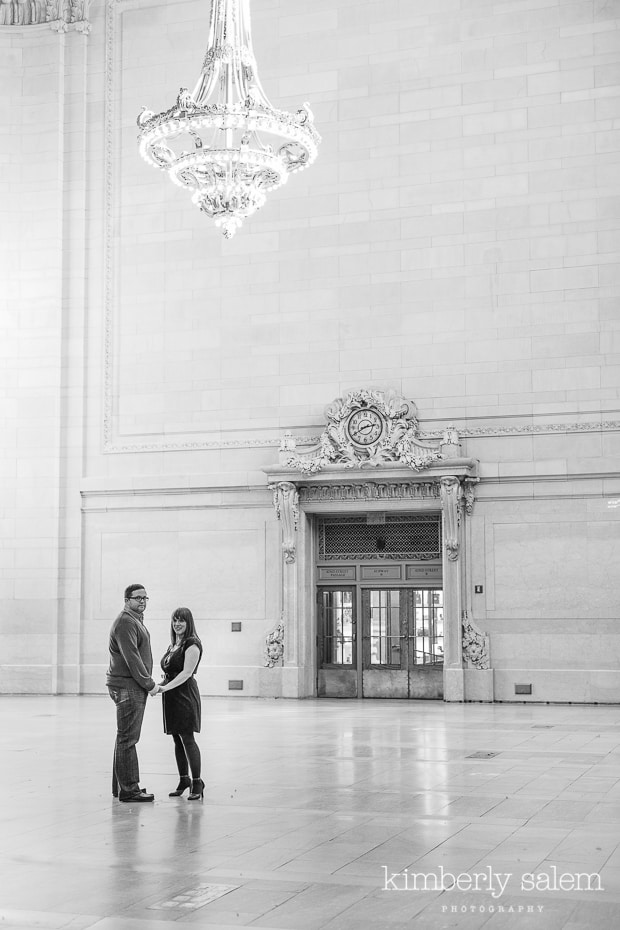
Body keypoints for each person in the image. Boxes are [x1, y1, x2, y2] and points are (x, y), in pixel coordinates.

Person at [107, 584, 160, 802]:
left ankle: (121, 787)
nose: (142, 601)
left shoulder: (134, 620)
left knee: (124, 738)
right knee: (128, 739)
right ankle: (129, 790)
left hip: (130, 685)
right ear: (126, 600)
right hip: (128, 685)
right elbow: (132, 659)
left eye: (145, 597)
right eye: (138, 598)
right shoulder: (126, 622)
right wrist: (150, 684)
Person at [159, 607, 204, 800]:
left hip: (185, 695)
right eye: (175, 620)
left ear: (189, 623)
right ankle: (183, 779)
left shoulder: (192, 643)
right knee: (176, 739)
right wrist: (157, 686)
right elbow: (170, 674)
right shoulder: (173, 645)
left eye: (181, 621)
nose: (177, 624)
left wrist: (164, 688)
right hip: (171, 696)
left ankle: (197, 782)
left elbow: (186, 673)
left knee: (188, 738)